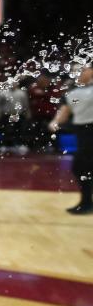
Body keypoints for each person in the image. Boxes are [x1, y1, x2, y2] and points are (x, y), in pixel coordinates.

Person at [48, 64, 93, 214]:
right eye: (75, 70)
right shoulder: (73, 94)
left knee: (82, 167)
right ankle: (86, 202)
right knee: (81, 168)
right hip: (84, 133)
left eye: (82, 69)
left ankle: (87, 202)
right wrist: (55, 121)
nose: (77, 72)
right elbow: (67, 109)